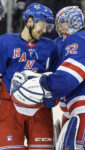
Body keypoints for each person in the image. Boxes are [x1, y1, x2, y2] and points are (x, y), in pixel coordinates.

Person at [11, 6, 85, 150]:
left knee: (81, 147)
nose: (59, 28)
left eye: (62, 23)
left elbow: (72, 75)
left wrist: (45, 84)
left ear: (73, 22)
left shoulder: (77, 38)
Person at [0, 3, 59, 150]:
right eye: (43, 25)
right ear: (30, 21)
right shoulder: (5, 42)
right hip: (10, 109)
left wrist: (55, 96)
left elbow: (57, 78)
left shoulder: (51, 47)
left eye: (48, 27)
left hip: (41, 109)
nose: (45, 30)